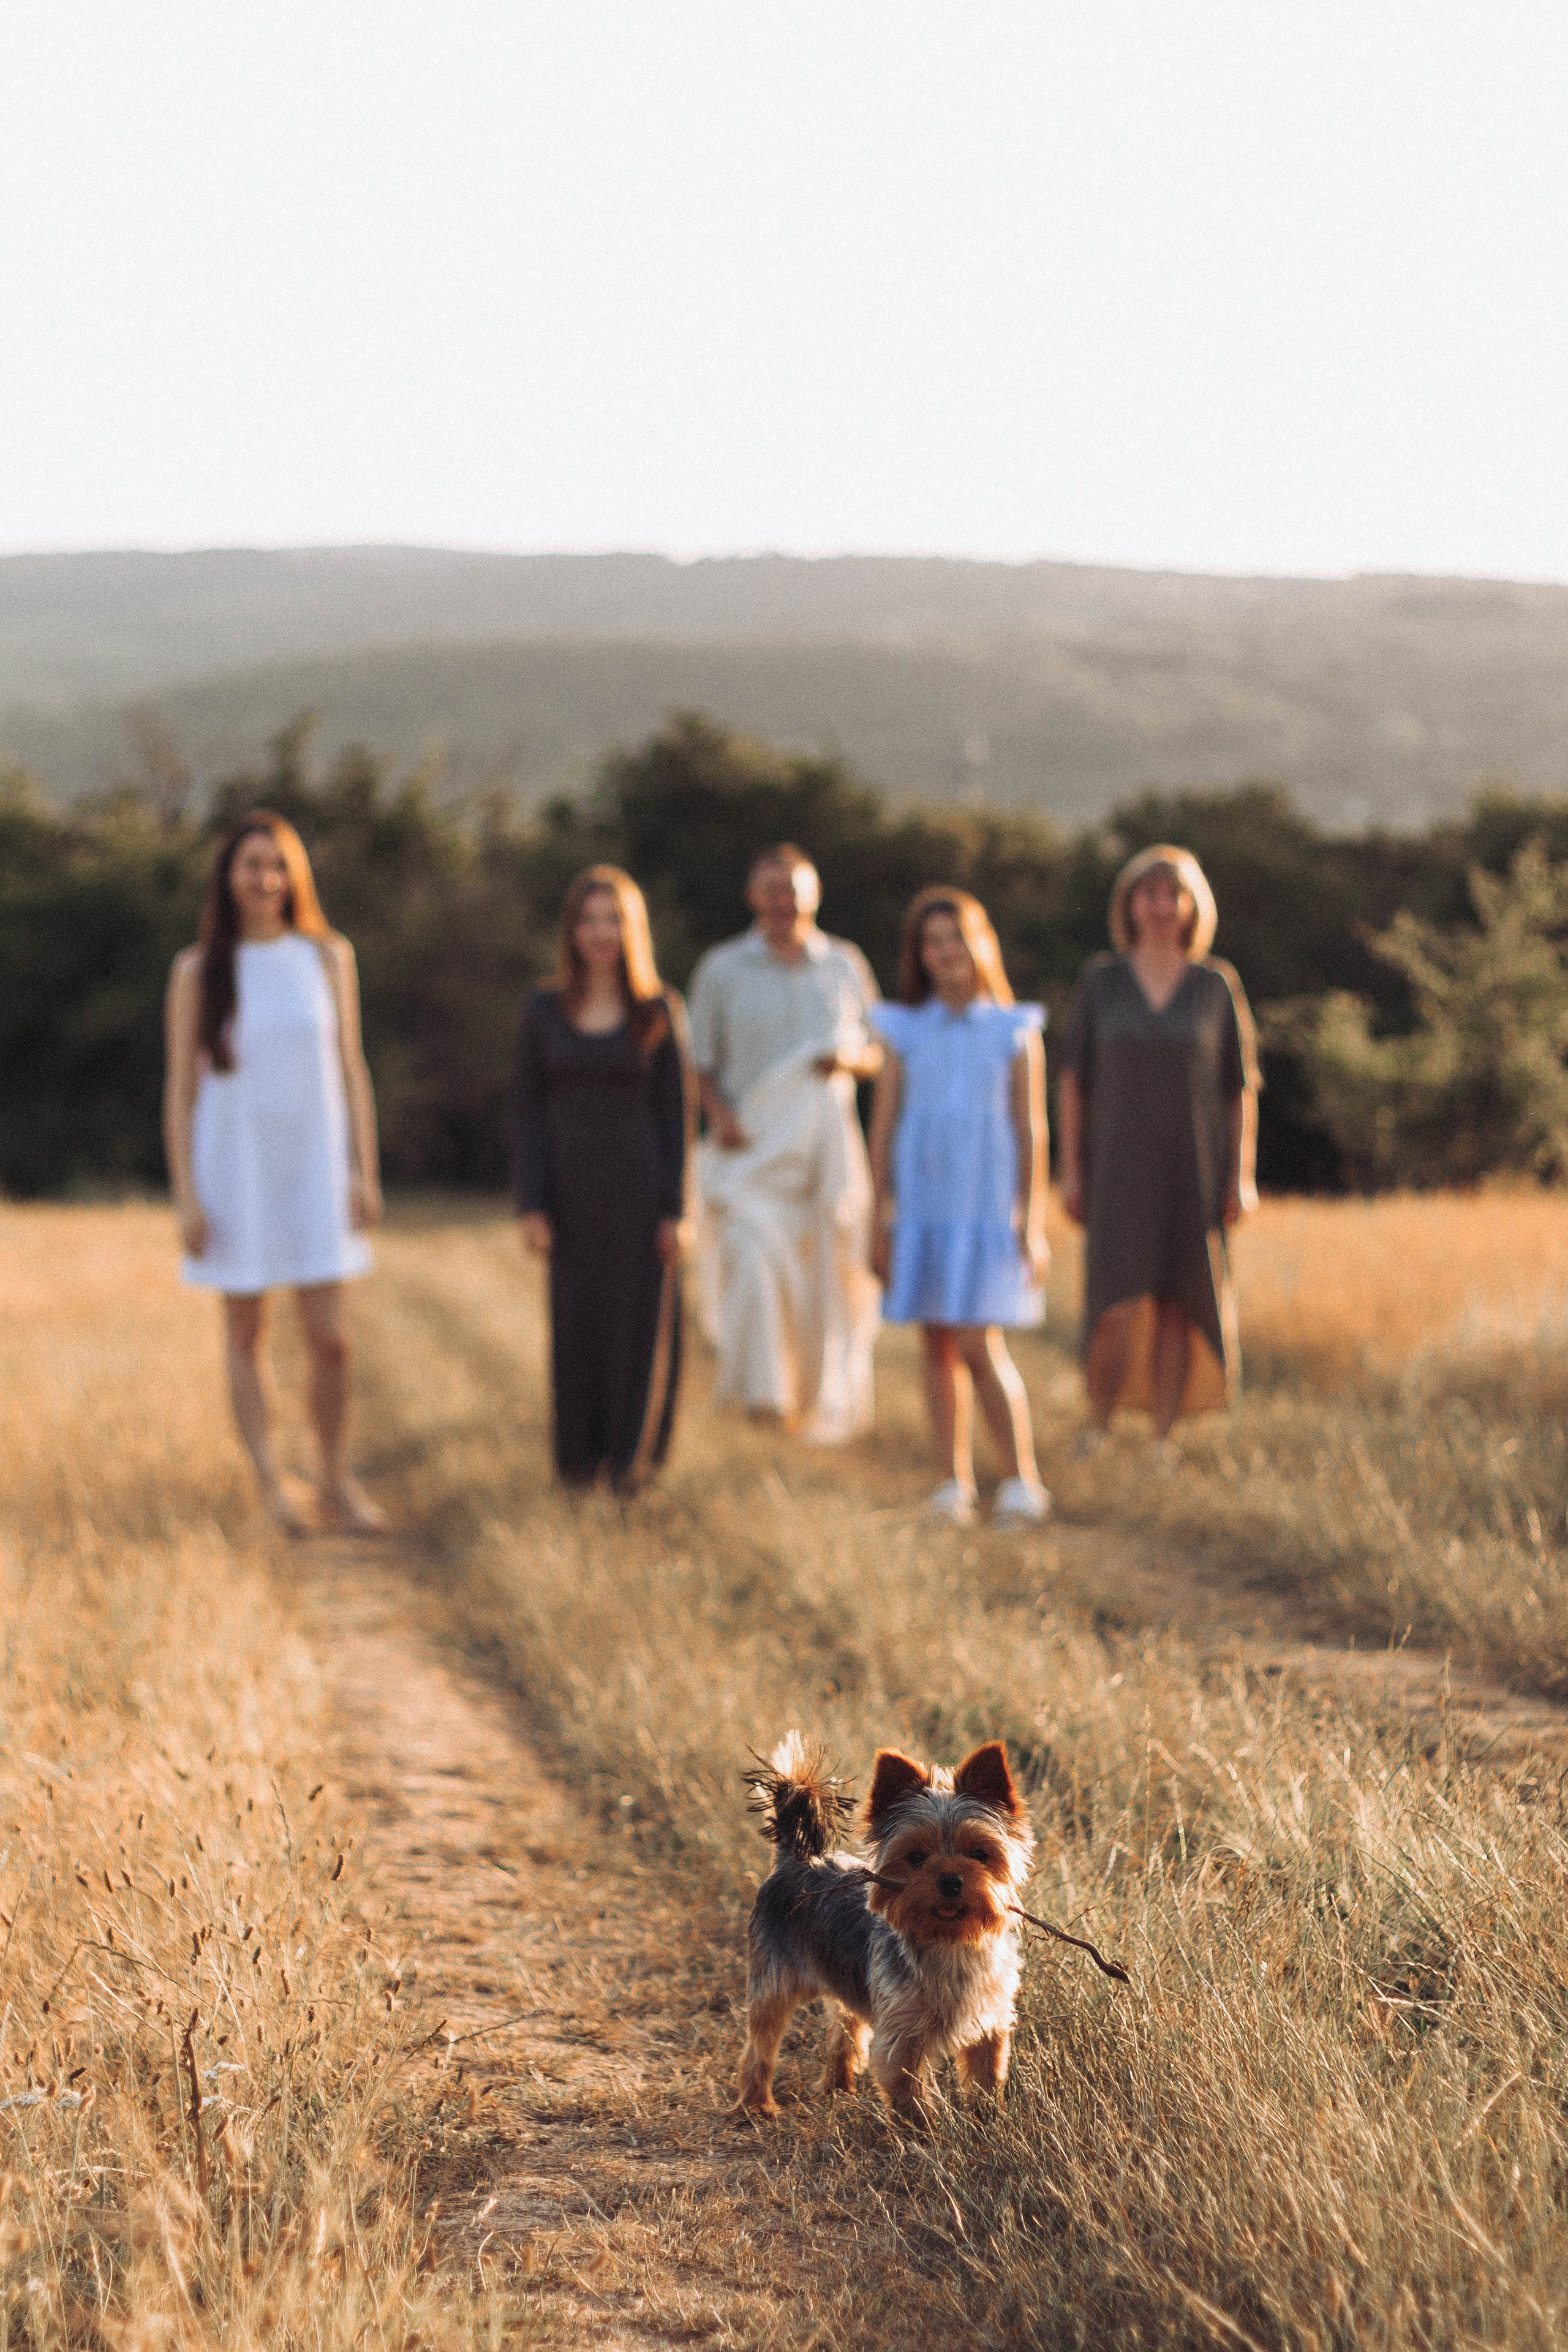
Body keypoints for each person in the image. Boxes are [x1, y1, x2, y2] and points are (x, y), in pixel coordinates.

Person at [164, 809, 385, 1535]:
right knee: (246, 1332)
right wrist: (187, 1197)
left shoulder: (327, 958)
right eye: (250, 865)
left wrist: (364, 1169)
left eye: (276, 864)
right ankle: (269, 1486)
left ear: (295, 877)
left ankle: (333, 1477)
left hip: (315, 1167)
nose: (264, 879)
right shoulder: (199, 971)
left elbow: (351, 1066)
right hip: (235, 1170)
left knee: (331, 1338)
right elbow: (181, 1091)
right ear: (227, 879)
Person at [1057, 843, 1260, 1457]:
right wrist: (1070, 1172)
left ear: (1193, 905)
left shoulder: (1215, 984)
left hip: (1193, 1166)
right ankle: (1095, 1425)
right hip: (1115, 1166)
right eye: (1149, 893)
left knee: (1178, 1303)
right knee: (1112, 1304)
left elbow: (1238, 1089)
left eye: (1174, 893)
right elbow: (1073, 1082)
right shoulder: (1101, 981)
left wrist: (1242, 1175)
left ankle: (1161, 1438)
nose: (1162, 904)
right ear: (1130, 904)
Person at [867, 888, 1051, 1529]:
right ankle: (952, 1481)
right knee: (936, 1343)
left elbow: (1031, 1130)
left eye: (956, 937)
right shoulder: (903, 1030)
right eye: (932, 942)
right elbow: (883, 1128)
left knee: (979, 1342)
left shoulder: (1013, 1030)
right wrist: (876, 1219)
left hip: (986, 1210)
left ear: (981, 943)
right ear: (919, 955)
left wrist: (1031, 1221)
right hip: (923, 1210)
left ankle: (1022, 1480)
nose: (945, 951)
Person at [687, 845, 881, 1443]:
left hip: (825, 1162)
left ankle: (817, 1399)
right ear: (753, 897)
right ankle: (761, 1399)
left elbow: (879, 1053)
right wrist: (720, 1117)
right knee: (751, 1263)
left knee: (828, 1272)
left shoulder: (845, 965)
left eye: (793, 891)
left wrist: (848, 1060)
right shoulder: (721, 970)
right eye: (772, 891)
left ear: (813, 896)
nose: (783, 902)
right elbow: (695, 1063)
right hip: (750, 1155)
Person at [514, 865, 693, 1492]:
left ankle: (630, 1466)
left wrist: (677, 1208)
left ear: (631, 928)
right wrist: (531, 1203)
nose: (599, 933)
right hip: (568, 1195)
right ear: (571, 930)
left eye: (612, 920)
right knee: (576, 1328)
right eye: (588, 920)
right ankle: (575, 1466)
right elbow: (528, 1112)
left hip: (640, 1194)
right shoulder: (543, 1010)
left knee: (638, 1329)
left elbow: (677, 1116)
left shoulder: (659, 1010)